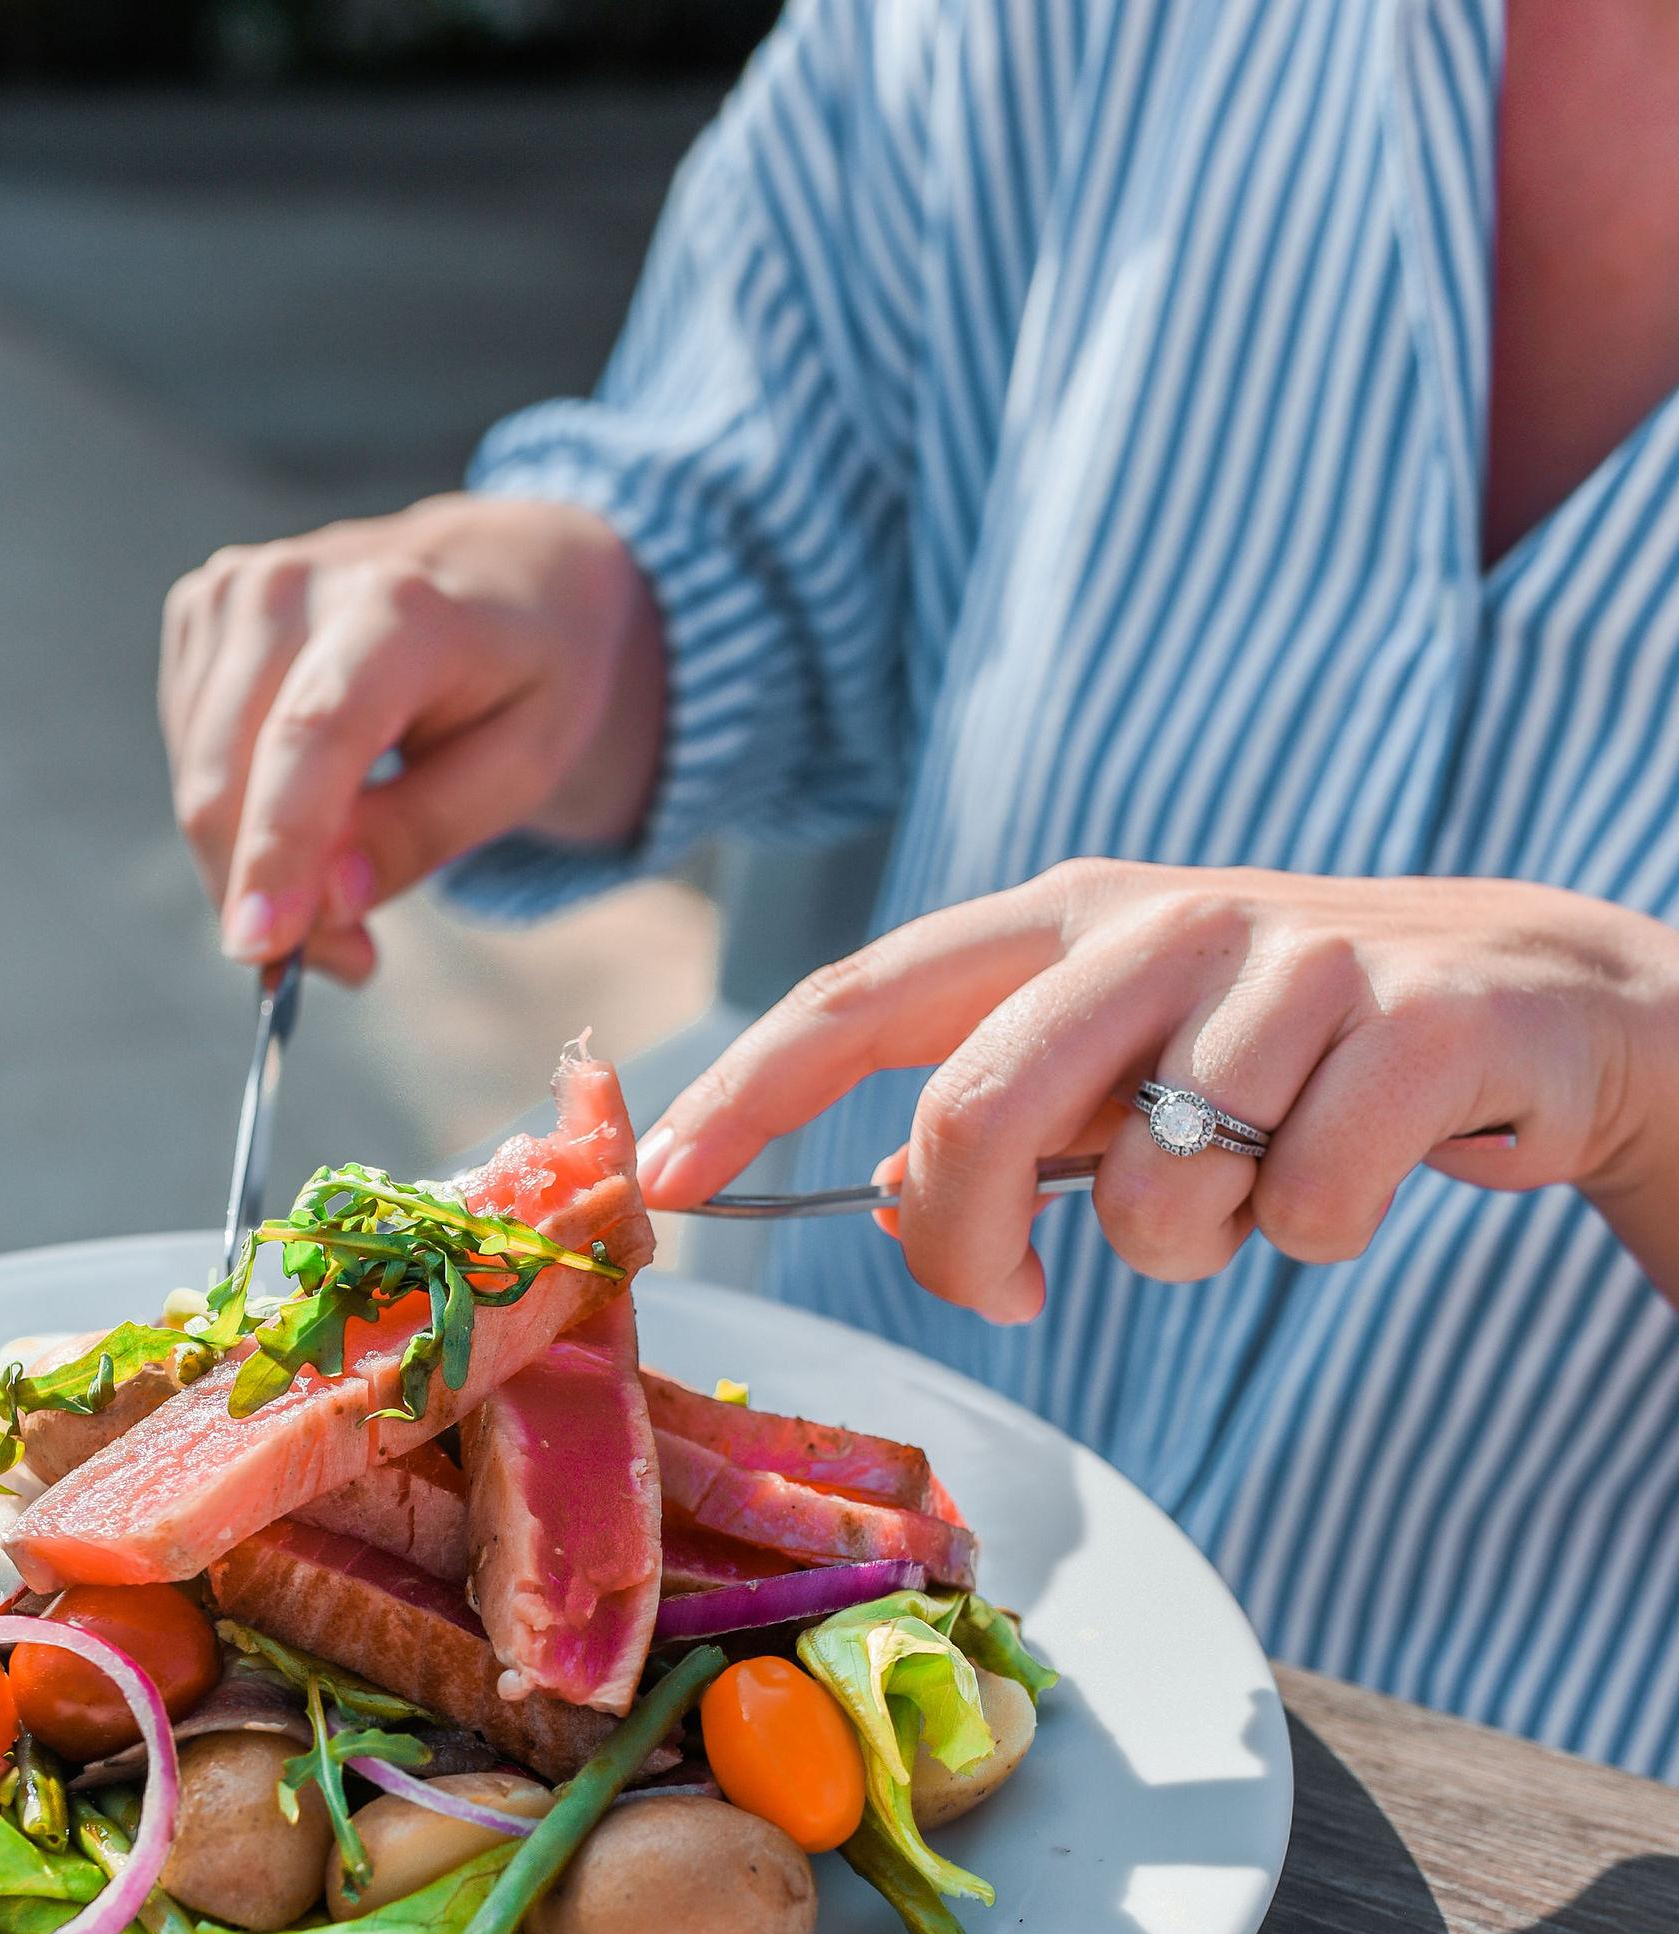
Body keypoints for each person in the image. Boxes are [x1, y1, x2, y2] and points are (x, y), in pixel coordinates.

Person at [156, 0, 1679, 1777]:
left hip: (1547, 1828)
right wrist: (556, 616)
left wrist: (1638, 1058)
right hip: (806, 1646)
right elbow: (777, 497)